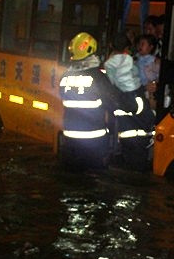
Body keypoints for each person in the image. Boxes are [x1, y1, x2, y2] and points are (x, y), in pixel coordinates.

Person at [58, 32, 128, 170]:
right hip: (94, 145)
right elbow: (114, 102)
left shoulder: (65, 77)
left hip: (70, 143)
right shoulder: (98, 77)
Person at [104, 33, 155, 171]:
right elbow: (135, 76)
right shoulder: (130, 61)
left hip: (124, 108)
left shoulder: (108, 64)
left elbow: (111, 83)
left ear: (110, 47)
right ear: (127, 48)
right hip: (136, 98)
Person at [135, 33, 160, 110]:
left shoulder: (153, 60)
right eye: (139, 44)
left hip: (149, 88)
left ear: (150, 47)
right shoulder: (137, 58)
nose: (140, 46)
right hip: (139, 87)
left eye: (143, 44)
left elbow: (157, 73)